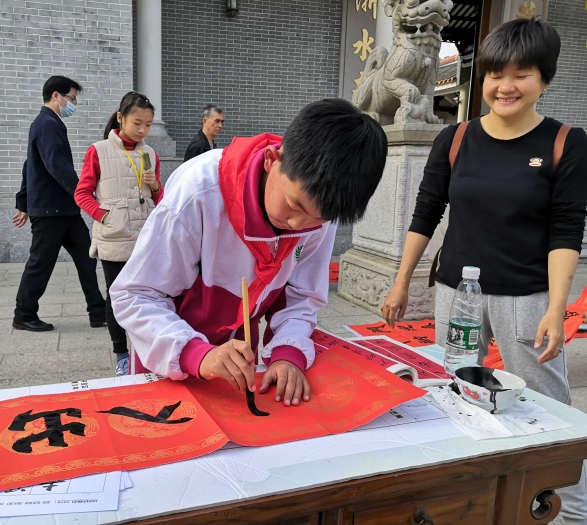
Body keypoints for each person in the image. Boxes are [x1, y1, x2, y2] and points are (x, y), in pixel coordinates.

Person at [380, 18, 587, 523]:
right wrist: (402, 281)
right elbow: (426, 213)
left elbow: (566, 231)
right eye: (495, 74)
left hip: (526, 295)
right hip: (458, 292)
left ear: (544, 80)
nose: (505, 86)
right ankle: (468, 495)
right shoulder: (455, 138)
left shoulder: (565, 143)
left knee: (546, 402)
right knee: (457, 391)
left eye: (521, 74)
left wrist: (557, 308)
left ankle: (571, 511)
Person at [111, 98, 387, 406]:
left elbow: (302, 297)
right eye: (293, 205)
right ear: (272, 160)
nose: (298, 226)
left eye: (318, 219)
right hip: (170, 353)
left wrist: (288, 353)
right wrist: (195, 353)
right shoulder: (199, 192)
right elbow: (136, 295)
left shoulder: (321, 212)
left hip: (239, 361)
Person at [75, 91, 163, 376]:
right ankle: (121, 355)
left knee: (148, 297)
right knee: (116, 297)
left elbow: (158, 199)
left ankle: (145, 351)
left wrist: (156, 186)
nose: (143, 130)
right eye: (137, 123)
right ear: (120, 118)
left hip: (145, 239)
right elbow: (82, 193)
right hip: (114, 237)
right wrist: (105, 216)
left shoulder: (150, 154)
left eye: (148, 124)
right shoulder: (99, 150)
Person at [12, 75, 106, 332]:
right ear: (56, 95)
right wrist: (83, 193)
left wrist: (23, 202)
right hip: (50, 210)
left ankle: (98, 311)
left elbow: (29, 165)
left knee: (87, 257)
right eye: (72, 98)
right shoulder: (47, 124)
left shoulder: (47, 123)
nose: (73, 103)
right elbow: (58, 166)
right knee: (41, 264)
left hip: (64, 210)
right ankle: (24, 314)